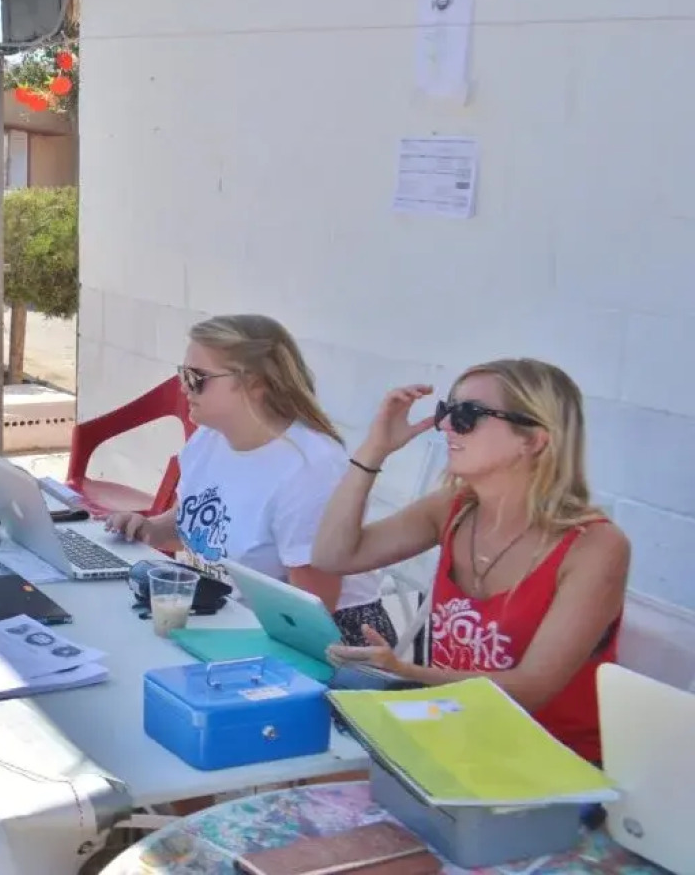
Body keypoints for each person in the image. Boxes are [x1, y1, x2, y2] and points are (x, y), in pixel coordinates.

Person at [312, 358, 629, 765]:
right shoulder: (454, 508)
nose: (445, 425)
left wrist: (406, 672)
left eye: (468, 414)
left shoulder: (595, 546)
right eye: (446, 410)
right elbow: (333, 556)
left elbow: (531, 690)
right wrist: (375, 449)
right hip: (453, 737)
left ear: (533, 439)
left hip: (551, 763)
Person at [101, 314, 395, 647]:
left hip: (326, 638)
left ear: (254, 383)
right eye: (183, 374)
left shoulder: (310, 467)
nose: (183, 387)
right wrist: (149, 528)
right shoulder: (210, 438)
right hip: (228, 615)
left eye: (197, 377)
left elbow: (312, 611)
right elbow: (196, 526)